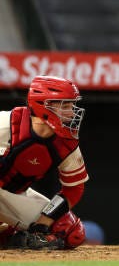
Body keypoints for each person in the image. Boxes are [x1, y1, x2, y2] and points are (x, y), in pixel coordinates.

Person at [0, 76, 88, 250]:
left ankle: (7, 235)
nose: (71, 113)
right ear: (44, 105)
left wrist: (42, 223)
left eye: (72, 105)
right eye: (66, 105)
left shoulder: (66, 143)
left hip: (14, 195)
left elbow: (74, 189)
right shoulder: (6, 123)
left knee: (71, 231)